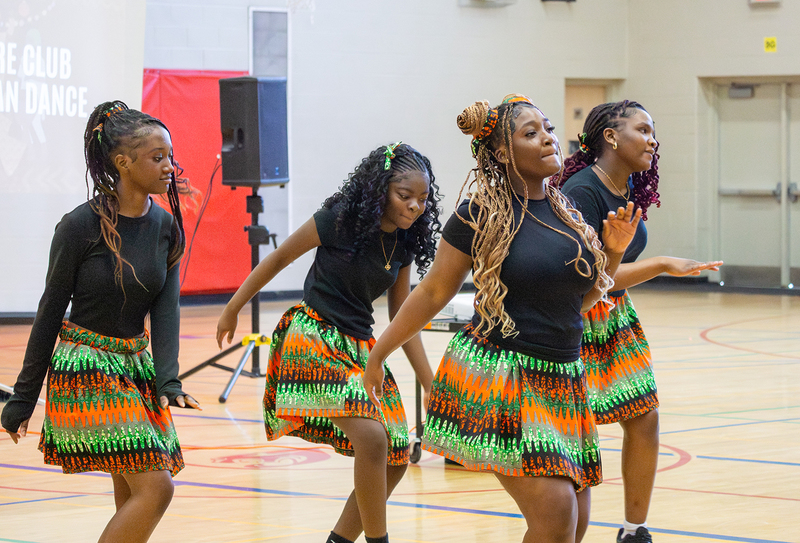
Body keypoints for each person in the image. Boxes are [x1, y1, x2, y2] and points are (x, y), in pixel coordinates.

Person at [364, 94, 642, 543]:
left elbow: (583, 299)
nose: (548, 138)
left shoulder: (568, 214)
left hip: (563, 379)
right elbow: (432, 292)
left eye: (548, 128)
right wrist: (379, 354)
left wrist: (613, 251)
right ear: (500, 152)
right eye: (531, 133)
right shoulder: (480, 214)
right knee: (557, 513)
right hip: (505, 376)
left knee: (574, 522)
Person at [216, 143, 441, 543]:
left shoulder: (405, 243)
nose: (414, 207)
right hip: (312, 336)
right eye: (404, 195)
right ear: (381, 189)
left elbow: (402, 318)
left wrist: (430, 383)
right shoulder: (340, 220)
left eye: (422, 199)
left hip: (359, 347)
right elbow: (280, 258)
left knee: (396, 454)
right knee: (372, 438)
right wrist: (234, 306)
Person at [1, 101, 200, 543]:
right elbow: (49, 312)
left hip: (134, 367)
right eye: (157, 157)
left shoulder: (166, 226)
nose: (169, 166)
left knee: (134, 491)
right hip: (86, 367)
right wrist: (23, 398)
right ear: (123, 163)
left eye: (170, 155)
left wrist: (168, 380)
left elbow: (165, 310)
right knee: (157, 487)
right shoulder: (79, 225)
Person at [556, 100, 723, 543]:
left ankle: (634, 531)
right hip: (576, 318)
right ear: (611, 136)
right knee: (575, 432)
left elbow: (614, 274)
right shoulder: (581, 192)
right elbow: (590, 278)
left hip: (615, 315)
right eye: (643, 130)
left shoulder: (626, 186)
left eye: (653, 131)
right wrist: (663, 264)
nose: (652, 140)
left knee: (644, 416)